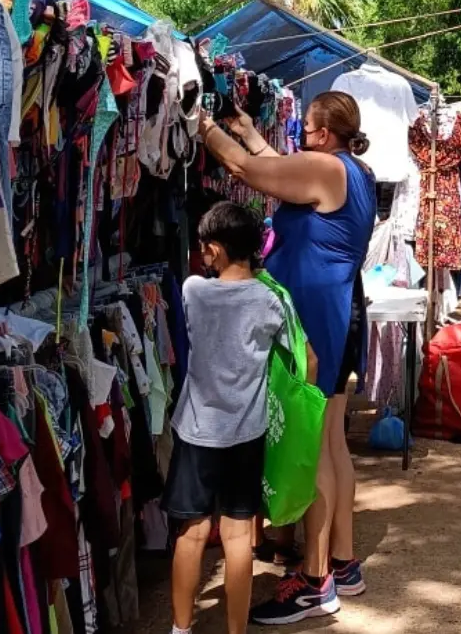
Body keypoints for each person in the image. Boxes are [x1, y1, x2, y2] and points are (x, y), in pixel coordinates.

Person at [198, 90, 375, 624]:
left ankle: (316, 581)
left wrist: (200, 123)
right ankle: (343, 562)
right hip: (338, 313)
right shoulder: (352, 171)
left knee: (314, 446)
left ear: (320, 133)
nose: (300, 139)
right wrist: (248, 128)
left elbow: (248, 170)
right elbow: (272, 164)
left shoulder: (325, 169)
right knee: (332, 442)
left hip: (318, 322)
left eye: (306, 130)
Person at [163, 202, 305, 634]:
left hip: (197, 429)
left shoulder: (193, 291)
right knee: (239, 536)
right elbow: (304, 361)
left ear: (216, 249)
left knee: (191, 531)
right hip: (247, 431)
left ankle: (180, 628)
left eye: (206, 248)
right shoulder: (269, 299)